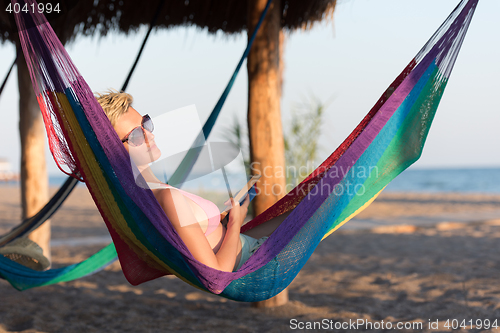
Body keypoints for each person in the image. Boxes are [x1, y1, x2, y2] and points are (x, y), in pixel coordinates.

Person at [96, 90, 284, 272]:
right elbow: (216, 275)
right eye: (136, 135)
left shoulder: (148, 193)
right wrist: (236, 221)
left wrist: (218, 221)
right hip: (254, 260)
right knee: (311, 205)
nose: (149, 135)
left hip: (246, 245)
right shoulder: (166, 197)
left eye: (146, 124)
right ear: (114, 151)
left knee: (307, 199)